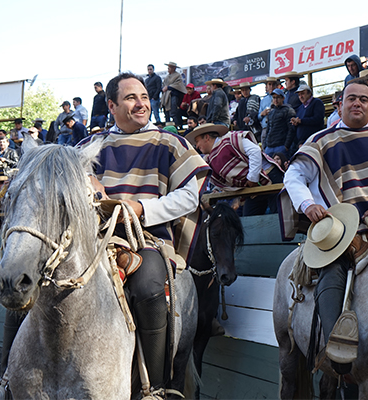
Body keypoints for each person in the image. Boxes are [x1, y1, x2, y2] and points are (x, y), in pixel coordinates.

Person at [78, 72, 209, 398]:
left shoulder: (170, 142)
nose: (141, 104)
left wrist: (139, 209)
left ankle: (155, 387)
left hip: (146, 239)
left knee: (150, 288)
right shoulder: (86, 148)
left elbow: (188, 198)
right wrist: (84, 186)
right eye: (131, 98)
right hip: (90, 240)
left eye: (145, 98)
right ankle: (7, 380)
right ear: (111, 105)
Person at [280, 81, 368, 374]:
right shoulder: (319, 141)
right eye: (351, 99)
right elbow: (293, 177)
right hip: (338, 232)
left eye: (364, 100)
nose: (358, 103)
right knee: (334, 265)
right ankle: (336, 346)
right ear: (339, 105)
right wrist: (308, 205)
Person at [186, 123, 283, 215]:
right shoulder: (209, 159)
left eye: (197, 141)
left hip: (269, 177)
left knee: (280, 215)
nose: (197, 146)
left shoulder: (230, 139)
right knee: (249, 219)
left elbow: (255, 151)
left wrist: (252, 178)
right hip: (251, 187)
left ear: (207, 137)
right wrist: (218, 188)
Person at [289, 83, 325, 153]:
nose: (300, 96)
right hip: (302, 144)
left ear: (309, 93)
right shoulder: (299, 108)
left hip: (314, 141)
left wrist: (301, 121)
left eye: (302, 94)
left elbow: (318, 119)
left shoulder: (317, 103)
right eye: (299, 95)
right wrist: (294, 123)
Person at [263, 89, 296, 158]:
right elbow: (268, 129)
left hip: (281, 146)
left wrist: (286, 145)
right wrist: (265, 145)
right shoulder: (271, 113)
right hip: (269, 147)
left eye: (278, 97)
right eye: (274, 97)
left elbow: (291, 129)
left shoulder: (288, 110)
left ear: (283, 98)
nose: (275, 100)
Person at [161, 62, 187, 126]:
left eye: (169, 67)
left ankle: (177, 125)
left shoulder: (178, 76)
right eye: (168, 67)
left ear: (174, 68)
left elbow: (178, 85)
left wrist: (169, 87)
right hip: (166, 96)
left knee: (173, 111)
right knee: (166, 112)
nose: (168, 69)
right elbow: (164, 85)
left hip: (174, 95)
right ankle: (168, 125)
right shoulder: (167, 77)